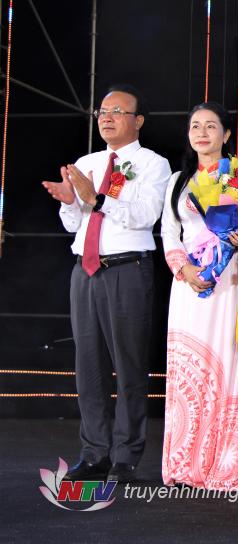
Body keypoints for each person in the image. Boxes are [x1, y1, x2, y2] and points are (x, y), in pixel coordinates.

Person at [42, 84, 171, 482]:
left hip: (127, 270)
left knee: (129, 365)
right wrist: (69, 201)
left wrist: (96, 199)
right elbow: (75, 225)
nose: (107, 117)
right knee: (89, 367)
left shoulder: (153, 164)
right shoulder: (89, 161)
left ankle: (125, 456)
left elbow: (145, 216)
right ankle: (93, 453)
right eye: (102, 111)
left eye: (117, 111)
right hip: (85, 270)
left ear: (138, 121)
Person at [159, 102, 238, 490]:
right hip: (187, 286)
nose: (202, 133)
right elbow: (170, 233)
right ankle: (185, 465)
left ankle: (228, 466)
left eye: (211, 126)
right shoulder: (177, 182)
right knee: (188, 371)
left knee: (230, 367)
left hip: (231, 282)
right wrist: (184, 270)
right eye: (195, 126)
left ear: (226, 134)